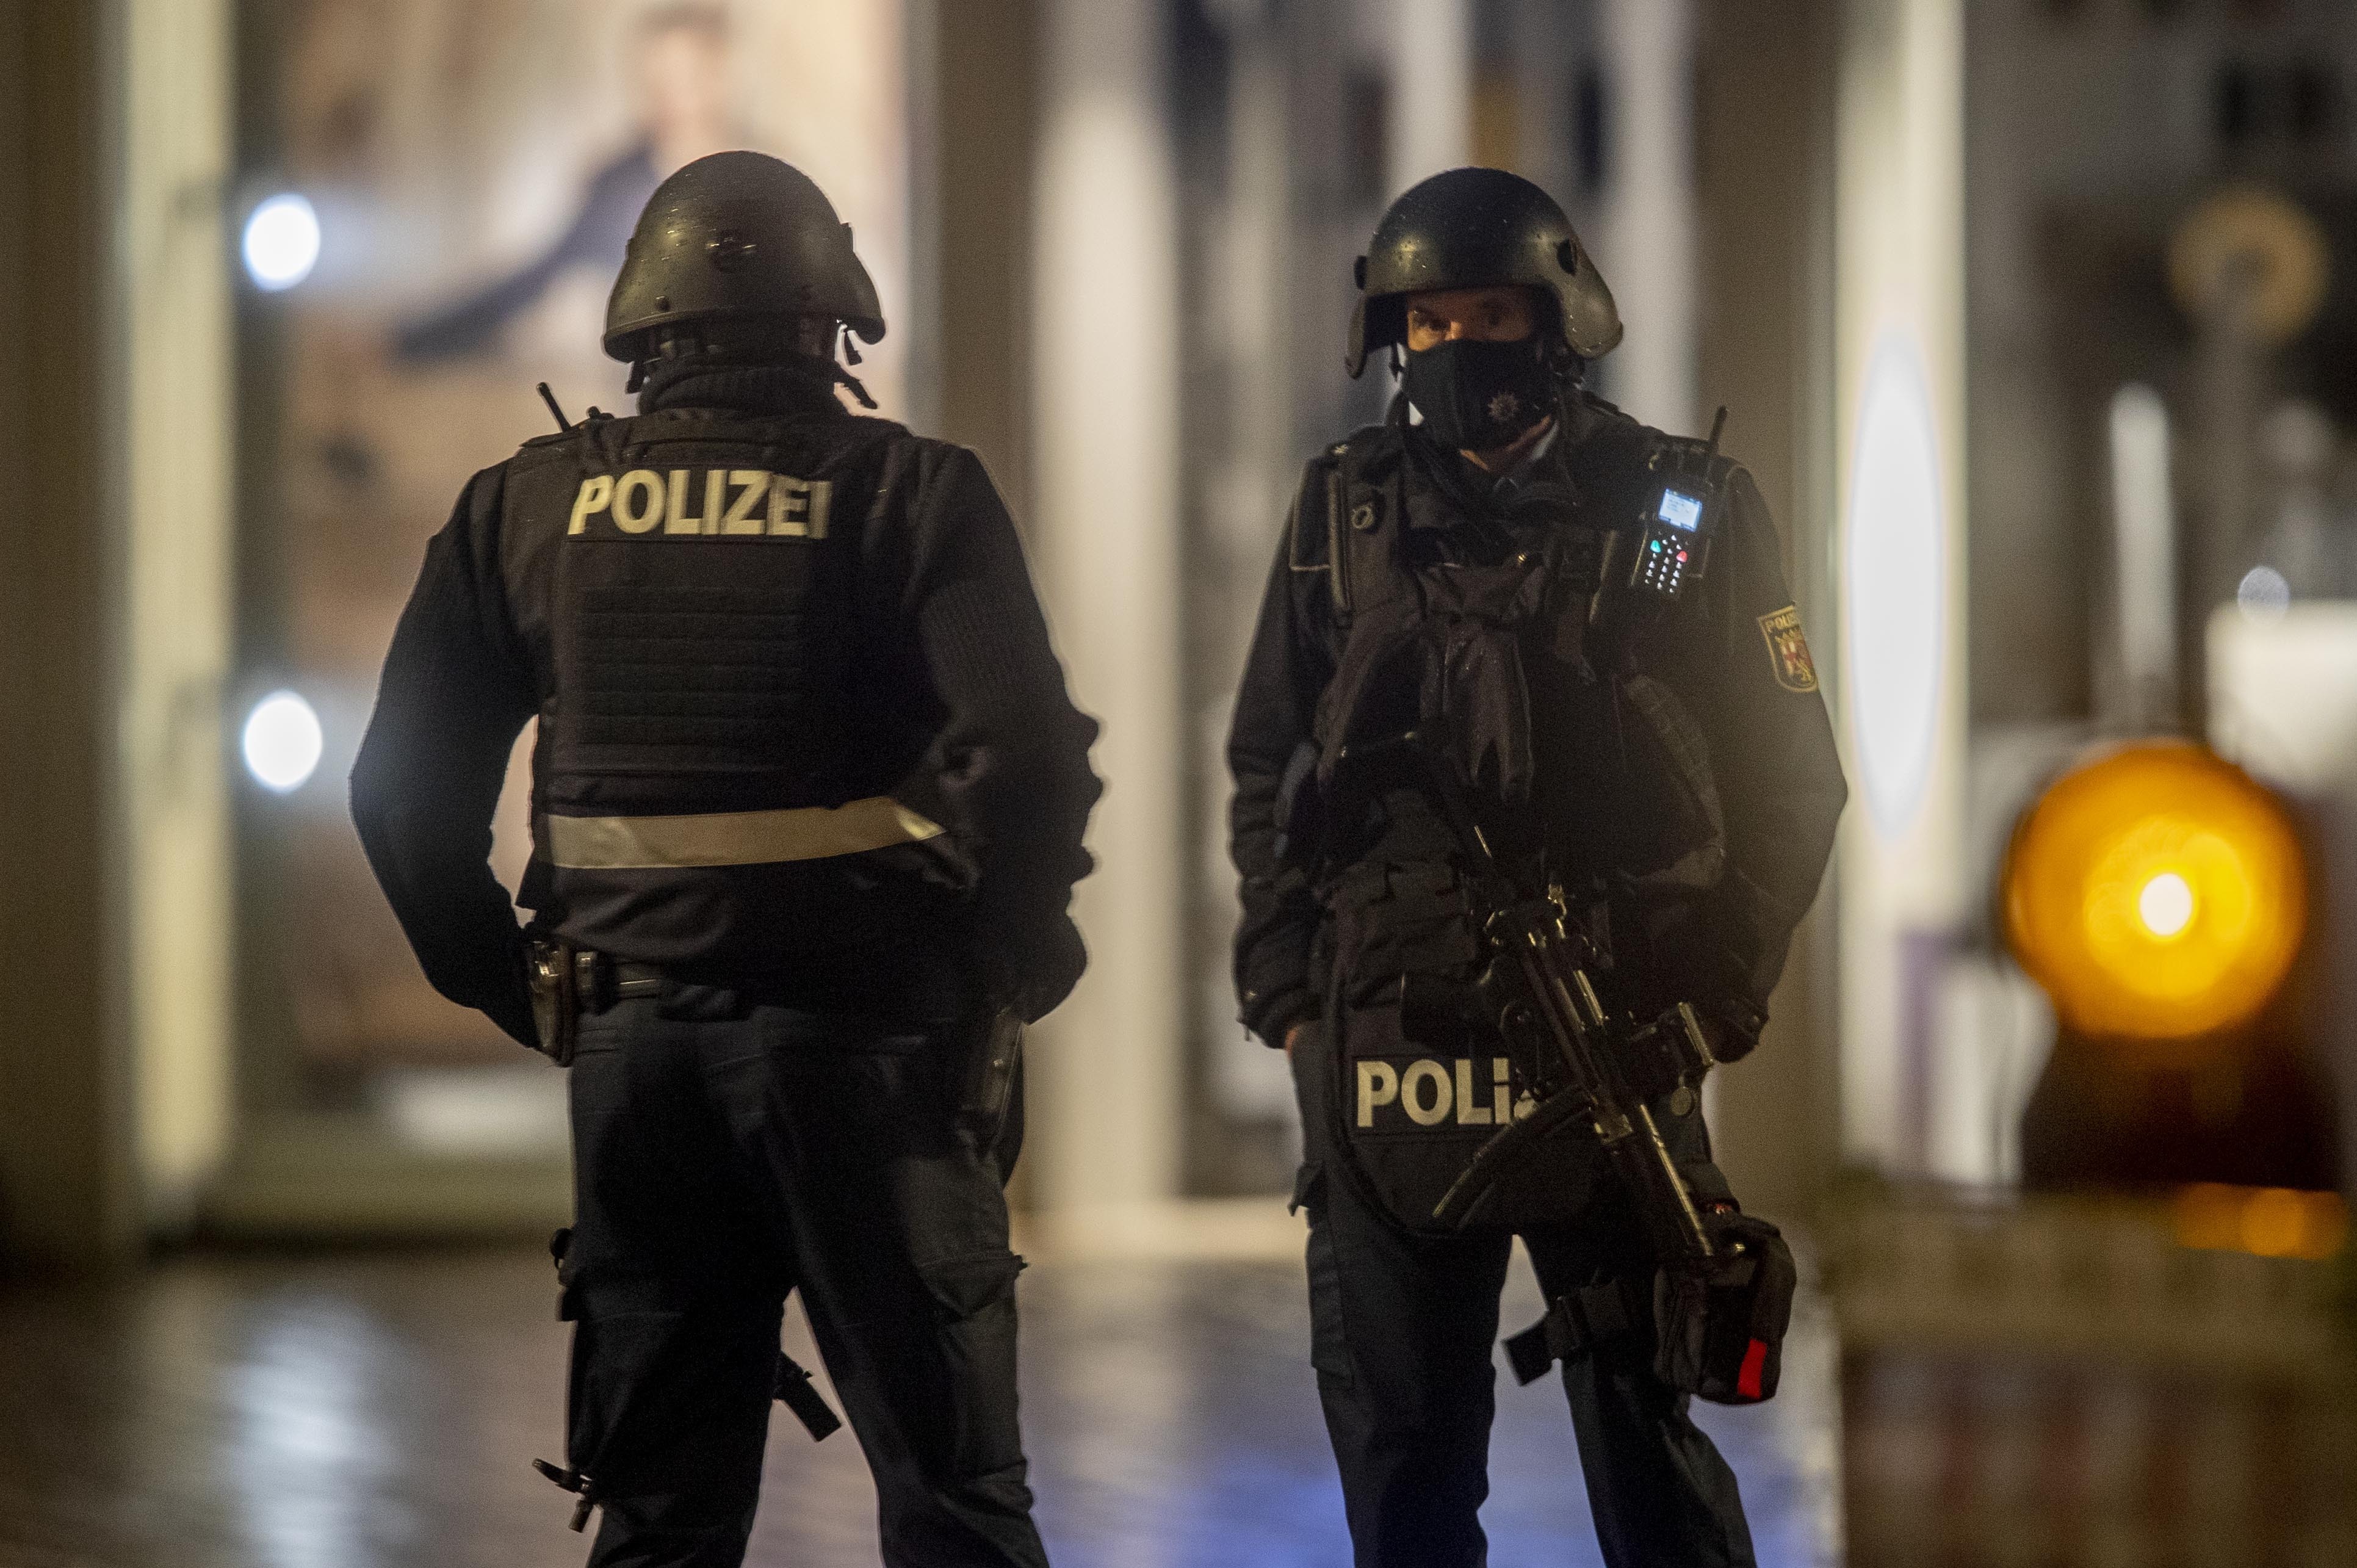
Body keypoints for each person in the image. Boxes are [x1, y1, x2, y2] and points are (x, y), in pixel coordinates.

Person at [352, 150, 1097, 1568]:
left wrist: (519, 990)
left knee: (659, 1517)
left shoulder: (526, 507)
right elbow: (1029, 760)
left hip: (633, 1062)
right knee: (952, 1503)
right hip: (874, 1056)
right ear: (833, 325)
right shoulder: (910, 493)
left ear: (641, 325)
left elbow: (399, 798)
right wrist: (1006, 961)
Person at [1227, 167, 1847, 1568]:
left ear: (1556, 320)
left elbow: (1790, 780)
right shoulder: (1340, 515)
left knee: (1647, 1458)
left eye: (1487, 317)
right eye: (1427, 325)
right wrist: (1290, 993)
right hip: (1386, 1047)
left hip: (1611, 1037)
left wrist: (1713, 999)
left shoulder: (1681, 511)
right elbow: (1268, 761)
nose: (1455, 350)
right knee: (1402, 1477)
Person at [393, 2, 741, 363]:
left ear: (720, 75)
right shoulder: (618, 188)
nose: (669, 98)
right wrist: (402, 342)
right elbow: (528, 284)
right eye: (655, 83)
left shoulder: (759, 180)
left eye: (686, 79)